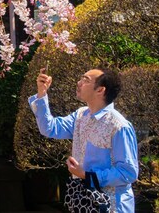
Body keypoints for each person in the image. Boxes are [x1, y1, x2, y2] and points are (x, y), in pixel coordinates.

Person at [29, 67, 139, 212]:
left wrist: (88, 176)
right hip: (83, 202)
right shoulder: (80, 115)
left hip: (111, 206)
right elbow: (49, 128)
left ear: (100, 90)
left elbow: (128, 172)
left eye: (85, 80)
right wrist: (42, 93)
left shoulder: (119, 126)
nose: (79, 82)